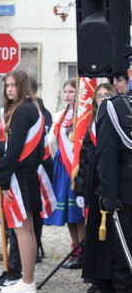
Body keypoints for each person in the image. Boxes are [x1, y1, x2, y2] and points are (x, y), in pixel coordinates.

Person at [0, 70, 44, 293]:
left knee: (22, 229)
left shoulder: (22, 111)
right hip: (27, 174)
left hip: (18, 176)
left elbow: (14, 149)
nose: (9, 89)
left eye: (13, 85)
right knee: (26, 228)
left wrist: (3, 182)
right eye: (7, 85)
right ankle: (26, 278)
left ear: (22, 86)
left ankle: (27, 280)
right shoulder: (33, 107)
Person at [95, 88, 132, 293]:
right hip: (127, 193)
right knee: (126, 257)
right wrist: (109, 193)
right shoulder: (114, 108)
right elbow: (105, 154)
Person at [77, 83, 117, 293]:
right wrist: (81, 190)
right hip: (94, 185)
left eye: (107, 95)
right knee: (95, 234)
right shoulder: (91, 125)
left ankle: (111, 277)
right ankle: (97, 277)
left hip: (110, 184)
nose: (102, 99)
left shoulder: (119, 122)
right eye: (99, 96)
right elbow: (84, 160)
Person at [45, 80, 86, 267]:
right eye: (65, 91)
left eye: (72, 91)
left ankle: (84, 252)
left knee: (78, 212)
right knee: (69, 213)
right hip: (63, 166)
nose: (68, 95)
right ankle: (75, 248)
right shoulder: (62, 115)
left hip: (75, 166)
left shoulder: (82, 115)